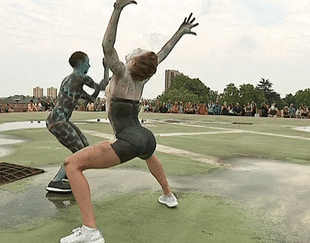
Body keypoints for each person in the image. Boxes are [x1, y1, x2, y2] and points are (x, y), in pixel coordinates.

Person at [59, 1, 198, 242]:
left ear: (133, 62)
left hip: (128, 140)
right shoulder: (142, 79)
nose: (135, 50)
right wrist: (179, 33)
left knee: (72, 165)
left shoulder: (122, 73)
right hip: (146, 138)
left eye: (136, 52)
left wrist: (117, 8)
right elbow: (161, 55)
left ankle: (90, 231)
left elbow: (106, 46)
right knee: (148, 154)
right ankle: (168, 195)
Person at [45, 51, 109, 193]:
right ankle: (56, 181)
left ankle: (68, 175)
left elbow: (91, 99)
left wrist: (97, 89)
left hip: (59, 120)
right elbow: (103, 86)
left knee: (85, 146)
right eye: (87, 62)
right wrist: (106, 68)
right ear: (80, 63)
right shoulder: (79, 77)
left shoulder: (70, 80)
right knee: (79, 151)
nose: (89, 65)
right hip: (58, 121)